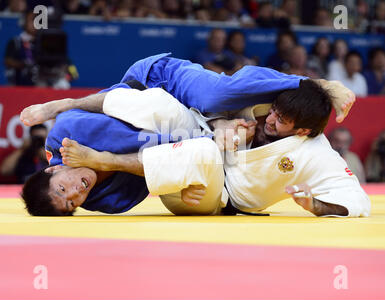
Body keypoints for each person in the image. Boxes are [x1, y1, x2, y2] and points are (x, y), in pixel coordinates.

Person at [22, 79, 370, 218]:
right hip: (186, 171)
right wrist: (224, 125)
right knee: (187, 128)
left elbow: (358, 201)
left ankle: (325, 86)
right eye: (274, 111)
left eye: (282, 121)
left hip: (223, 195)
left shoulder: (316, 153)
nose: (271, 121)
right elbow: (161, 171)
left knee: (186, 130)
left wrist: (316, 205)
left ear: (305, 130)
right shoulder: (257, 111)